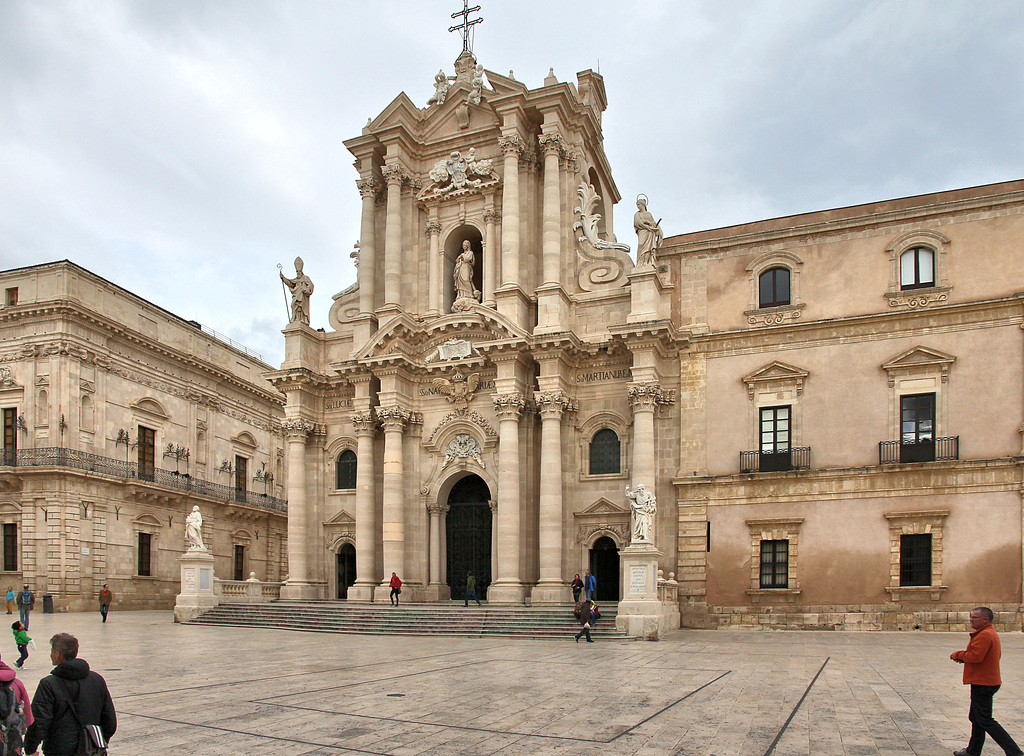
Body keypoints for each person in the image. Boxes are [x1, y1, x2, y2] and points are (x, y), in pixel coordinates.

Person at [24, 632, 116, 756]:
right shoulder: (97, 680)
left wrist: (30, 749)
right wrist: (96, 741)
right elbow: (110, 720)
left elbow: (40, 721)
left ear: (57, 654)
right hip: (91, 750)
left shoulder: (48, 684)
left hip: (59, 750)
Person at [950, 607, 1023, 756]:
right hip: (984, 680)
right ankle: (973, 751)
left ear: (985, 620)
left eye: (974, 617)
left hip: (984, 683)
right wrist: (964, 658)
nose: (971, 619)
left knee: (985, 720)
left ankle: (1014, 752)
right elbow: (981, 657)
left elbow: (976, 656)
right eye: (971, 616)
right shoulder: (988, 633)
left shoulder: (984, 635)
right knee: (976, 718)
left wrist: (958, 654)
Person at [280, 256, 314, 325]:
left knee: (301, 307)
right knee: (294, 305)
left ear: (301, 272)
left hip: (302, 297)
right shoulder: (296, 280)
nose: (298, 273)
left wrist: (306, 289)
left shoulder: (306, 278)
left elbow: (310, 285)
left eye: (299, 271)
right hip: (296, 295)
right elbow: (290, 283)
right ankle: (296, 319)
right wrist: (283, 278)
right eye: (297, 272)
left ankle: (302, 319)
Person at [633, 195, 663, 267]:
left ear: (643, 204)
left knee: (648, 248)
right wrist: (646, 222)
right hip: (642, 231)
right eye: (637, 205)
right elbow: (637, 223)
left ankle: (646, 262)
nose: (638, 206)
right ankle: (640, 262)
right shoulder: (637, 214)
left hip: (649, 233)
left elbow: (653, 223)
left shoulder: (648, 214)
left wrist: (657, 230)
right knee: (641, 244)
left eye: (639, 204)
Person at [452, 240, 480, 308]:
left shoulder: (470, 252)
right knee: (460, 281)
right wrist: (459, 258)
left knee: (466, 280)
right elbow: (457, 260)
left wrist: (462, 257)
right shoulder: (462, 254)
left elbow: (467, 259)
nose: (464, 246)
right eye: (463, 245)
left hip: (466, 267)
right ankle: (461, 295)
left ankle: (469, 294)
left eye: (465, 245)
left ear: (468, 246)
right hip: (461, 267)